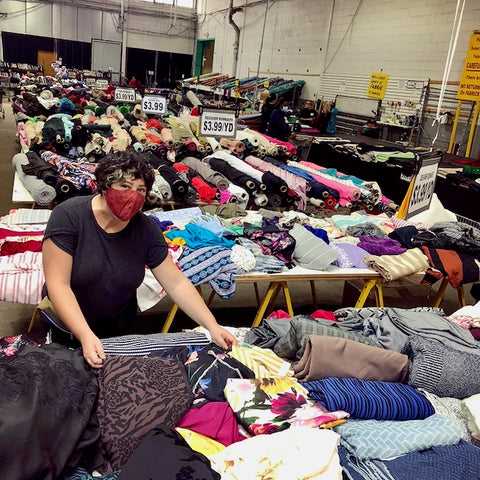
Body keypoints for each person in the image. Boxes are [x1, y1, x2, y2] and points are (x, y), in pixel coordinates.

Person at [42, 151, 237, 369]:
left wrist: (212, 326)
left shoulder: (145, 230)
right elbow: (58, 284)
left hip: (118, 326)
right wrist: (84, 335)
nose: (133, 195)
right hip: (68, 327)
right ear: (105, 185)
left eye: (141, 190)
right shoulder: (69, 216)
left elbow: (176, 283)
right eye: (125, 186)